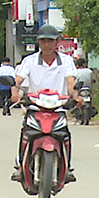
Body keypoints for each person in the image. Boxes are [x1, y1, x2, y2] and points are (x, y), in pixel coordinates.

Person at [10, 24, 81, 183]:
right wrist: (15, 93)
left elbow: (71, 82)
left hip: (58, 108)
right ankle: (21, 166)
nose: (47, 44)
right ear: (38, 42)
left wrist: (75, 96)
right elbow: (18, 80)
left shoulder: (67, 61)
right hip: (35, 107)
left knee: (65, 135)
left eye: (50, 41)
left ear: (57, 42)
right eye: (43, 41)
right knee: (26, 134)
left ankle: (67, 166)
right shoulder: (29, 61)